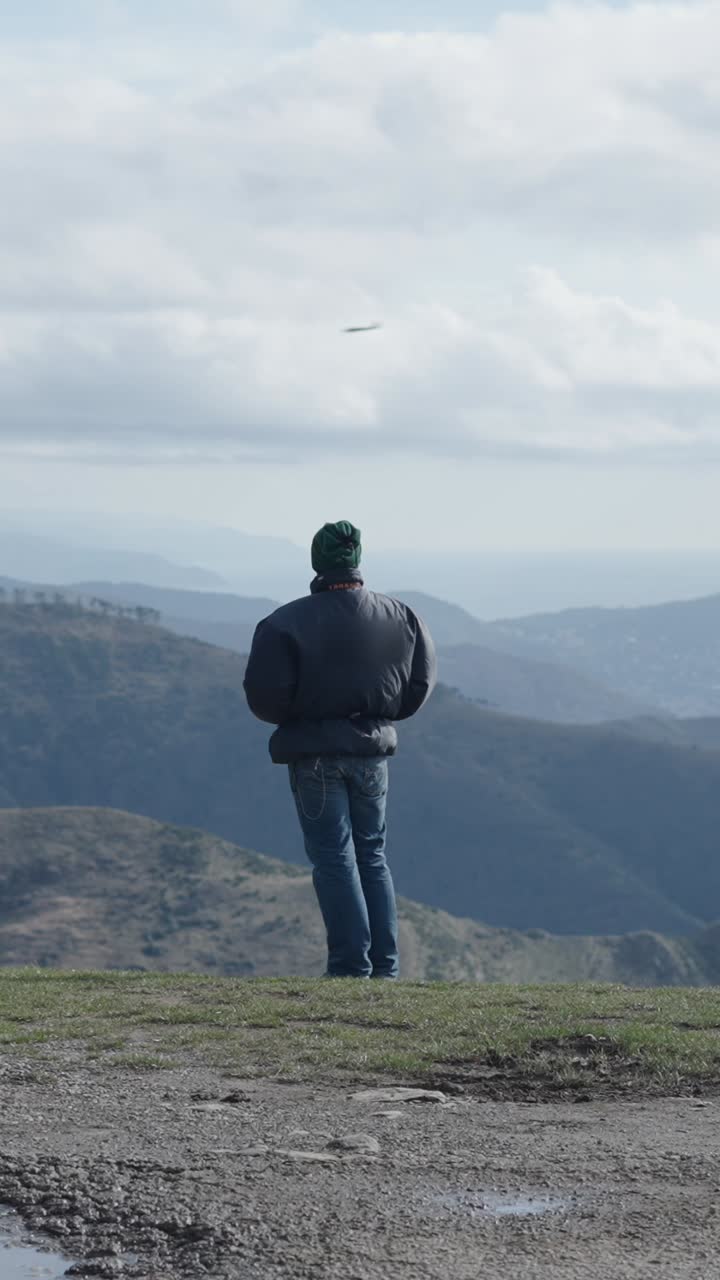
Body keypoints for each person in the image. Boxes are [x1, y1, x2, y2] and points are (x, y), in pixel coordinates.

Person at [243, 520, 437, 979]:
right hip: (372, 753)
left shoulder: (283, 623)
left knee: (334, 857)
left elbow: (264, 699)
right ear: (356, 559)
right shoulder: (402, 616)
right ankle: (384, 969)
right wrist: (378, 715)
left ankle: (350, 967)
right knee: (372, 854)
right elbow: (418, 686)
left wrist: (302, 716)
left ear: (318, 561)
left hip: (314, 756)